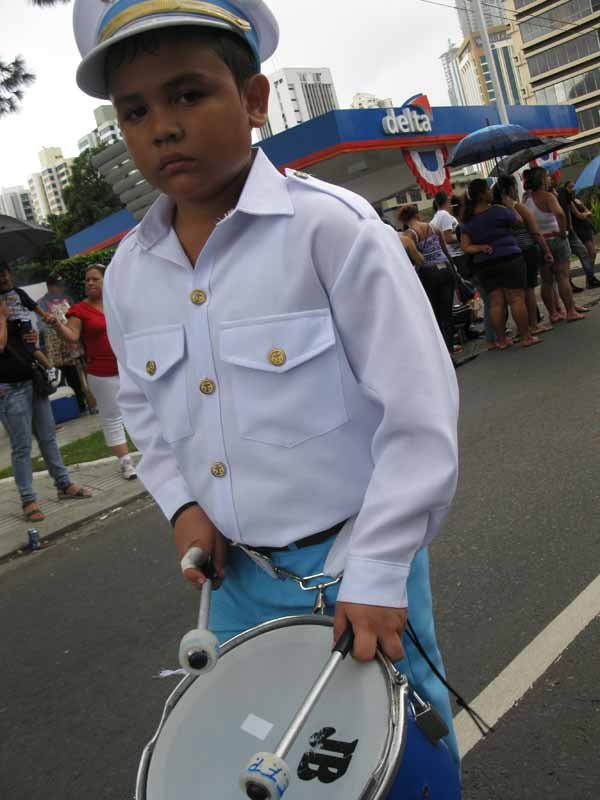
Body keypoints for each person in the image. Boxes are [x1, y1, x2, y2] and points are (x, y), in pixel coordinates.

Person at [72, 0, 460, 771]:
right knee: (260, 755)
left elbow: (419, 415)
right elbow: (144, 410)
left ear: (254, 100)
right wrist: (182, 504)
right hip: (236, 582)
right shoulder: (127, 275)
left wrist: (380, 569)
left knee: (393, 752)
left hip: (355, 561)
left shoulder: (331, 230)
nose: (163, 127)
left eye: (188, 94)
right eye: (136, 111)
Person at [0, 297, 92, 522]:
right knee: (21, 446)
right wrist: (1, 319)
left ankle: (64, 484)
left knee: (48, 437)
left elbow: (30, 349)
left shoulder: (15, 323)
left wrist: (33, 343)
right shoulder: (4, 322)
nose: (7, 305)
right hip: (10, 390)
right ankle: (28, 499)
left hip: (33, 383)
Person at [50, 265, 137, 481]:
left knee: (142, 411)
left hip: (130, 369)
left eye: (95, 279)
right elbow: (72, 336)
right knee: (112, 417)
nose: (89, 283)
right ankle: (126, 462)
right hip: (102, 373)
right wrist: (58, 326)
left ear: (107, 280)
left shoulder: (118, 303)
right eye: (87, 279)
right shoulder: (79, 310)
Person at [459, 179, 541, 349]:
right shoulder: (498, 210)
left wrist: (480, 247)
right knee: (516, 298)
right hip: (509, 258)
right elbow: (519, 222)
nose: (490, 193)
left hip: (484, 264)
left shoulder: (467, 220)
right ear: (482, 195)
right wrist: (510, 206)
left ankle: (501, 340)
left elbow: (465, 247)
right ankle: (526, 336)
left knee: (495, 303)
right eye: (488, 190)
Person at [492, 175, 553, 335]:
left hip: (506, 255)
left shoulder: (494, 210)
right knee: (528, 289)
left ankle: (522, 328)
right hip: (526, 250)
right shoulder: (516, 207)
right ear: (510, 189)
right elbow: (535, 232)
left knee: (515, 295)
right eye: (515, 186)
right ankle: (533, 324)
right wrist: (546, 250)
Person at [523, 168, 584, 324]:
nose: (549, 179)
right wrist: (563, 231)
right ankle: (570, 311)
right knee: (562, 276)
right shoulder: (548, 197)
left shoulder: (526, 200)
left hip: (540, 241)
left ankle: (553, 314)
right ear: (541, 180)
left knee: (547, 281)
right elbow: (560, 213)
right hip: (556, 238)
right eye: (546, 177)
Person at [399, 204, 456, 353]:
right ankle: (450, 347)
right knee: (447, 312)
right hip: (445, 268)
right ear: (417, 214)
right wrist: (453, 269)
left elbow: (415, 259)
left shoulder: (409, 235)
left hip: (428, 273)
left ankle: (443, 351)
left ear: (404, 220)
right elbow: (445, 250)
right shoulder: (434, 228)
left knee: (435, 313)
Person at [0, 262, 62, 388]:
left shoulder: (18, 292)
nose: (2, 280)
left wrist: (44, 316)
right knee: (27, 347)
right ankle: (47, 369)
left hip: (22, 323)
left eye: (3, 275)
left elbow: (33, 305)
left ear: (9, 274)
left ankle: (50, 368)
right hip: (11, 327)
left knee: (30, 347)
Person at [38, 275, 92, 414]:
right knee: (60, 377)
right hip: (55, 347)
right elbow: (41, 326)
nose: (61, 288)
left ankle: (82, 405)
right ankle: (67, 409)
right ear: (49, 286)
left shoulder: (68, 299)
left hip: (71, 344)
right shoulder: (42, 303)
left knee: (76, 376)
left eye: (62, 285)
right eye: (58, 285)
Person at [561, 182, 600, 290]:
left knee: (592, 253)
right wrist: (586, 214)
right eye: (570, 187)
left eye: (574, 187)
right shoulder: (569, 202)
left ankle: (590, 276)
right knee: (588, 252)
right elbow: (580, 215)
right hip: (579, 229)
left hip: (586, 228)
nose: (573, 189)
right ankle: (589, 277)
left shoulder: (578, 200)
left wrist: (586, 213)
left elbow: (587, 212)